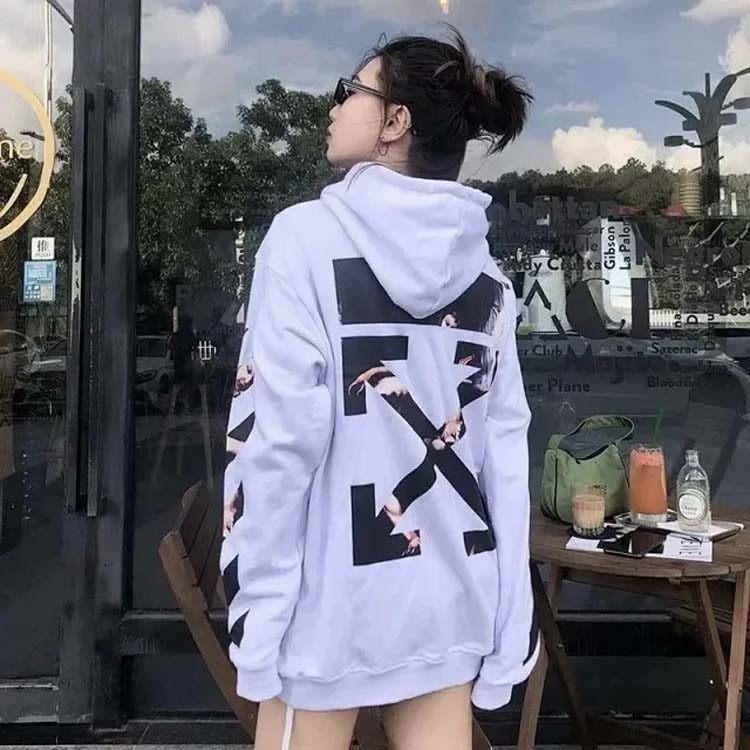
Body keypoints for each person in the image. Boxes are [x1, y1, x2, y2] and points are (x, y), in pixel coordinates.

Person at [220, 25, 538, 750]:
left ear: (395, 121)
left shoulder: (302, 241)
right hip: (450, 604)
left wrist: (258, 621)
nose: (333, 107)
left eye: (350, 91)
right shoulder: (488, 277)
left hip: (328, 613)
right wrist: (507, 626)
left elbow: (277, 445)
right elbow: (503, 459)